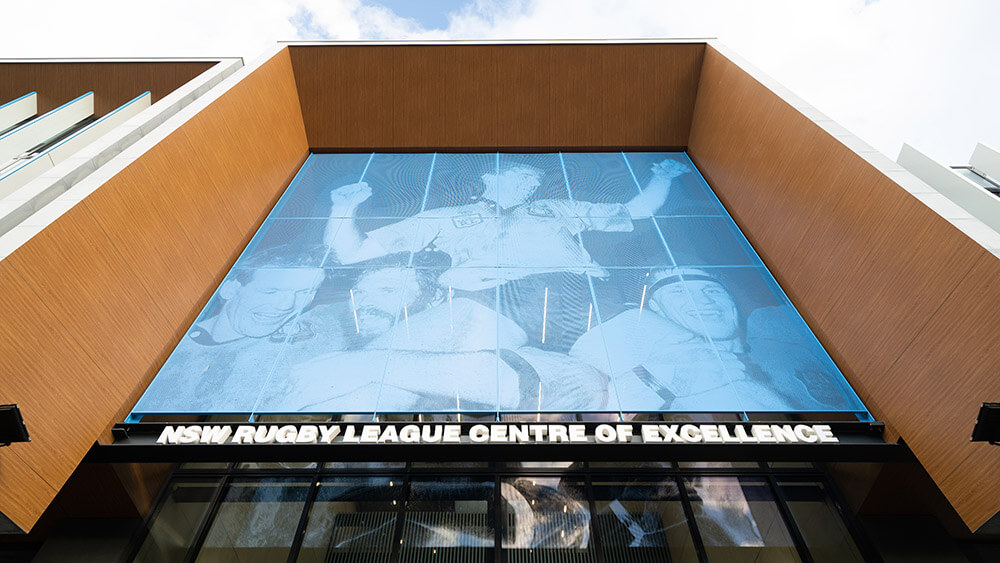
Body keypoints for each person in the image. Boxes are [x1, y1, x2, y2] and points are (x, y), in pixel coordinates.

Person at [277, 262, 608, 413]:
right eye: (358, 293)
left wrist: (360, 366)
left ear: (436, 300)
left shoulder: (466, 317)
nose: (365, 303)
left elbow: (513, 381)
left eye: (388, 290)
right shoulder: (321, 338)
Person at [324, 159, 690, 291]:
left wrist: (664, 179)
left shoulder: (555, 207)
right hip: (494, 298)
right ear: (489, 177)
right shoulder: (444, 219)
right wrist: (342, 209)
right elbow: (352, 252)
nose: (531, 184)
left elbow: (637, 211)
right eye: (520, 175)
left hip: (577, 295)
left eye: (534, 181)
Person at [570, 267, 845, 412]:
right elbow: (573, 393)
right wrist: (663, 379)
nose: (703, 301)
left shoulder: (781, 336)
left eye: (711, 290)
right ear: (655, 308)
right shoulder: (641, 339)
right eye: (679, 293)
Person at [133, 244, 346, 414]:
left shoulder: (317, 326)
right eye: (271, 291)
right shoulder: (168, 356)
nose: (286, 305)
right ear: (230, 289)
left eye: (303, 293)